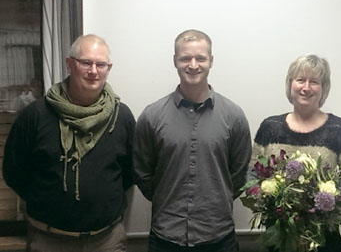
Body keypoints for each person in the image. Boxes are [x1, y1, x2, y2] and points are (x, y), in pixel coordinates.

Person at [3, 34, 135, 252]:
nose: (93, 71)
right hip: (48, 240)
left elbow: (130, 172)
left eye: (100, 64)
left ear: (108, 68)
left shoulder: (121, 117)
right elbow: (14, 171)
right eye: (86, 62)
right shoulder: (35, 115)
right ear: (69, 64)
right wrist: (48, 201)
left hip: (106, 241)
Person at [133, 29, 252, 252]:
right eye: (185, 58)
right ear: (175, 61)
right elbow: (142, 172)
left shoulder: (234, 116)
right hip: (166, 238)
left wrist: (216, 195)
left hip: (219, 237)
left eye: (201, 58)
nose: (193, 65)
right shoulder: (151, 116)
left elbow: (239, 175)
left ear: (211, 61)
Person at [252, 54, 341, 252]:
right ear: (290, 84)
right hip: (283, 239)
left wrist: (323, 219)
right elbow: (252, 177)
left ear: (324, 88)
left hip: (330, 242)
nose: (306, 87)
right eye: (300, 80)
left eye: (314, 82)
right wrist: (275, 210)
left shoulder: (340, 129)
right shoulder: (270, 127)